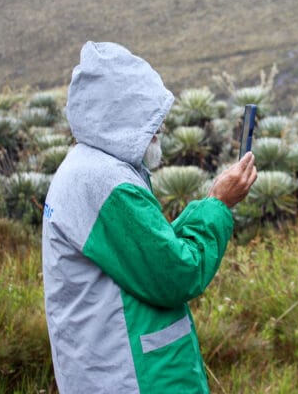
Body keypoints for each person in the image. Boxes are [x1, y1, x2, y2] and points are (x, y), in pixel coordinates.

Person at [42, 41, 257, 393]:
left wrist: (210, 204)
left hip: (102, 368)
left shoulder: (81, 167)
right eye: (148, 118)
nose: (157, 129)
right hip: (132, 375)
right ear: (119, 115)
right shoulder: (107, 183)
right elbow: (176, 273)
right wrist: (218, 203)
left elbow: (148, 254)